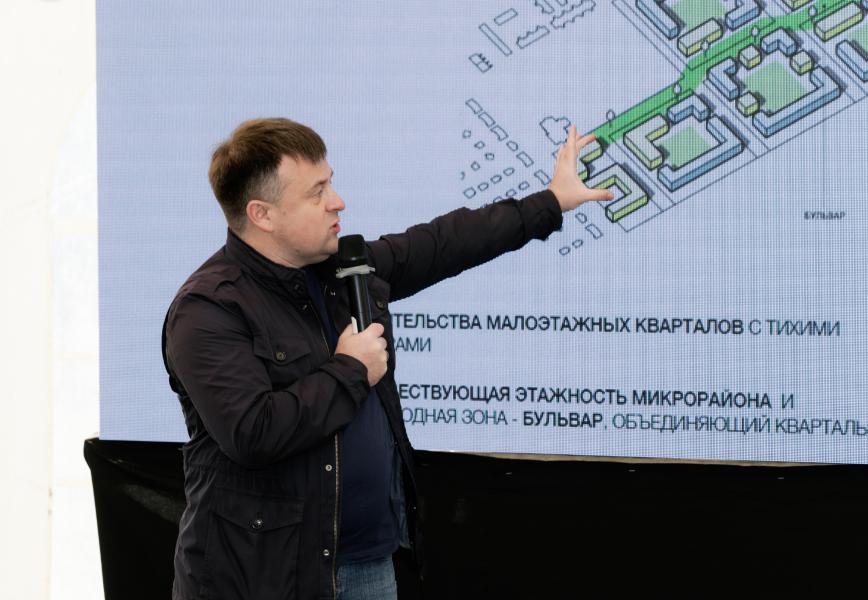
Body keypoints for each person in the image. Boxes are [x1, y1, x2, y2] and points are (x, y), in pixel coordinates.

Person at [162, 117, 613, 600]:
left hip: (367, 563)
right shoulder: (208, 308)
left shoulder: (344, 270)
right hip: (262, 575)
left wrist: (551, 201)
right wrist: (351, 370)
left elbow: (446, 242)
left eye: (331, 183)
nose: (337, 201)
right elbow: (253, 432)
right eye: (316, 192)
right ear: (262, 214)